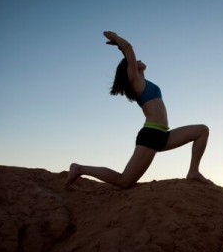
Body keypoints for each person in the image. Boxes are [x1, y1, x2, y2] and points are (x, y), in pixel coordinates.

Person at [65, 31, 211, 189]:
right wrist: (118, 40)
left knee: (202, 131)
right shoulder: (135, 80)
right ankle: (79, 168)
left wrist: (122, 49)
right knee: (124, 181)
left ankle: (193, 171)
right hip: (151, 134)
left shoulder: (143, 81)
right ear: (130, 68)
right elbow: (129, 49)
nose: (139, 59)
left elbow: (128, 53)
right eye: (135, 60)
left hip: (163, 135)